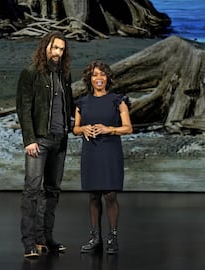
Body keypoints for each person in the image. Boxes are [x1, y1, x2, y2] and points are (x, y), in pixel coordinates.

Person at [16, 31, 74, 258]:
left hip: (60, 140)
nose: (57, 52)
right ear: (45, 48)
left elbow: (67, 105)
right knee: (33, 189)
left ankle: (45, 238)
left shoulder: (64, 75)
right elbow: (24, 108)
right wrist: (29, 139)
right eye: (54, 47)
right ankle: (29, 242)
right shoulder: (31, 73)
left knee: (52, 191)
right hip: (39, 140)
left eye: (61, 49)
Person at [73, 60, 133, 254]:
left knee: (110, 195)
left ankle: (112, 238)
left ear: (108, 78)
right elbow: (75, 128)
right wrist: (82, 129)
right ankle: (95, 238)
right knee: (93, 195)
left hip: (110, 151)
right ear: (89, 79)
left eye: (102, 75)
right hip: (91, 151)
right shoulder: (82, 102)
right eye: (95, 75)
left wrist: (110, 129)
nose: (99, 78)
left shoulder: (118, 100)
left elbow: (128, 128)